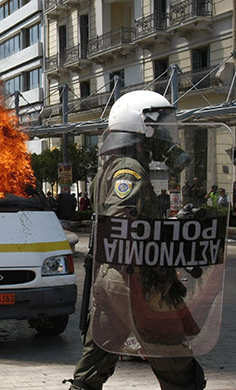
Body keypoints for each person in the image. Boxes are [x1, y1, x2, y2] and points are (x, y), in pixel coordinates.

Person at [67, 90, 205, 390]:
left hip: (116, 277)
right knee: (177, 365)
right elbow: (121, 219)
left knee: (95, 364)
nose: (161, 137)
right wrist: (171, 236)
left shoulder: (110, 166)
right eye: (156, 128)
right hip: (138, 281)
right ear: (138, 129)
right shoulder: (129, 169)